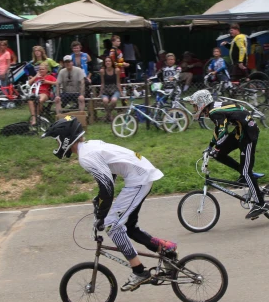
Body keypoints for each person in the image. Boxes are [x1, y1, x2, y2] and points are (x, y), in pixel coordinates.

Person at [42, 117, 177, 291]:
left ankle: (139, 271)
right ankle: (166, 248)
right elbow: (109, 177)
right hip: (140, 174)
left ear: (65, 138)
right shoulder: (89, 146)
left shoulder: (86, 156)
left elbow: (107, 187)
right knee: (128, 226)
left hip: (139, 178)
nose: (56, 143)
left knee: (112, 225)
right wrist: (100, 203)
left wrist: (101, 215)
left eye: (56, 139)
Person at [184, 89, 268, 220]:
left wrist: (216, 148)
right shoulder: (213, 109)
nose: (194, 108)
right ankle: (244, 174)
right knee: (218, 154)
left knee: (246, 171)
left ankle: (260, 204)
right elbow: (219, 130)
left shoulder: (213, 112)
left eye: (195, 105)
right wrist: (211, 147)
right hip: (240, 131)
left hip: (248, 134)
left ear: (202, 103)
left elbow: (222, 132)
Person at [99, 56, 121, 122]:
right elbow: (102, 83)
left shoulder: (117, 70)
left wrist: (121, 91)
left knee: (114, 100)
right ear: (104, 63)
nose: (107, 62)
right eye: (106, 61)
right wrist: (100, 92)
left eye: (109, 61)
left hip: (114, 89)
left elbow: (118, 82)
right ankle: (110, 115)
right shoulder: (102, 71)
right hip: (106, 89)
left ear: (112, 62)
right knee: (105, 100)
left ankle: (107, 115)